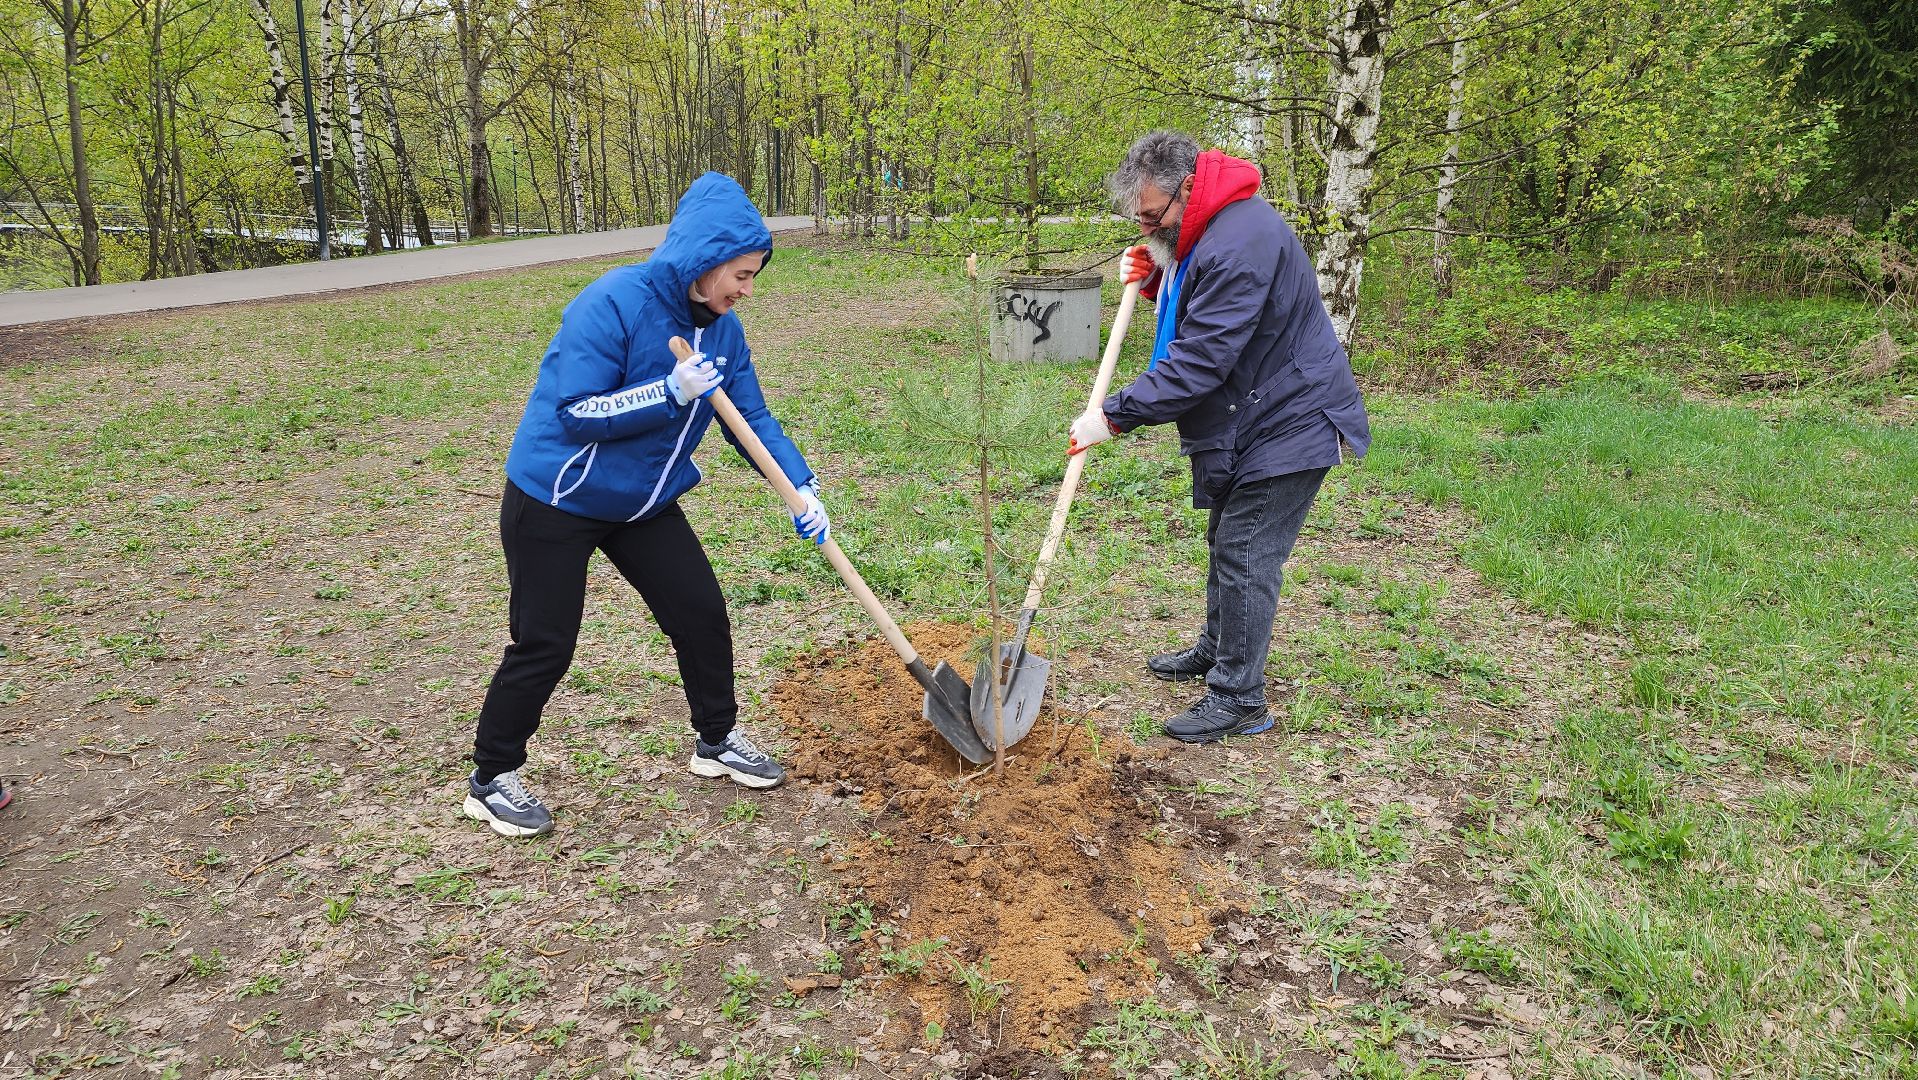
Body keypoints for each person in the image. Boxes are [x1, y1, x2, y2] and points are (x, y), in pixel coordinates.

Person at [463, 172, 830, 838]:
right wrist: (669, 391)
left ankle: (715, 739)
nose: (747, 291)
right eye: (741, 275)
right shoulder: (611, 302)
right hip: (557, 497)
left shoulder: (723, 331)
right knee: (546, 642)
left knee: (700, 612)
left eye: (753, 277)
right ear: (704, 260)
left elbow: (750, 415)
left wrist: (800, 485)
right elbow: (578, 413)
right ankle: (491, 777)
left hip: (643, 501)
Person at [1067, 130, 1371, 744]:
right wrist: (1159, 271)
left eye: (1154, 219)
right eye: (1141, 221)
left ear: (1187, 189)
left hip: (1292, 417)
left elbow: (1200, 362)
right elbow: (1199, 297)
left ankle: (1239, 699)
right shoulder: (1213, 225)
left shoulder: (1239, 242)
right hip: (1256, 411)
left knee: (1247, 548)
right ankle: (1218, 647)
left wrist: (1113, 416)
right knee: (1228, 536)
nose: (1148, 228)